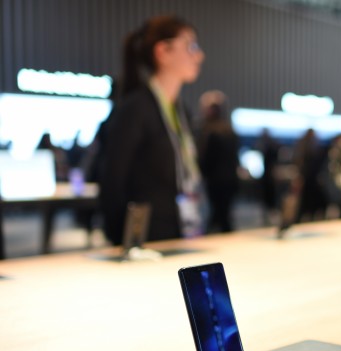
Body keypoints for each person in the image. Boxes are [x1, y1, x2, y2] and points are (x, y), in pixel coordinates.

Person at [99, 15, 205, 245]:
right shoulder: (136, 109)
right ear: (163, 52)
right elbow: (112, 182)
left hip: (182, 230)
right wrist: (123, 242)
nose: (199, 55)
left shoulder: (182, 112)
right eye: (190, 46)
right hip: (145, 239)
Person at [196, 90, 241, 233]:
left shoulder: (209, 130)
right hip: (230, 180)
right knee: (224, 215)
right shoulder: (230, 130)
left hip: (215, 181)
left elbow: (205, 158)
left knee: (216, 215)